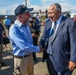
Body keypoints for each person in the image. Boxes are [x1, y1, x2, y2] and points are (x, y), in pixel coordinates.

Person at [40, 3, 76, 75]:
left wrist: (73, 60)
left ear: (59, 12)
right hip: (49, 59)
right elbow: (44, 37)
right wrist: (40, 45)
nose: (49, 15)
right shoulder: (48, 24)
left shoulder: (70, 23)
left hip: (63, 60)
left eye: (51, 13)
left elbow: (74, 42)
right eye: (48, 13)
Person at [9, 4, 42, 75]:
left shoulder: (26, 25)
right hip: (21, 60)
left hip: (29, 57)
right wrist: (37, 49)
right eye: (27, 13)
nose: (29, 16)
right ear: (20, 16)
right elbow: (23, 46)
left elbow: (28, 41)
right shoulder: (14, 29)